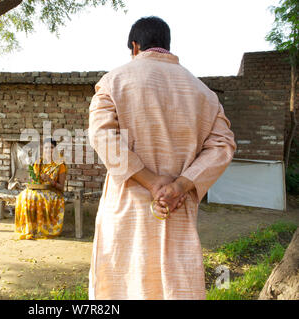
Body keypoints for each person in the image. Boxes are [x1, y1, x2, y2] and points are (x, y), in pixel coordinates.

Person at [88, 16, 236, 299]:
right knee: (173, 284)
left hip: (127, 209)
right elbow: (223, 146)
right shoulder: (204, 94)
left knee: (122, 283)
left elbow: (102, 137)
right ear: (167, 45)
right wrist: (181, 185)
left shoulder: (113, 82)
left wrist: (152, 182)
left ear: (135, 46)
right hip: (177, 209)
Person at [14, 138, 67, 240]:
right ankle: (29, 228)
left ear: (55, 150)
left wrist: (50, 181)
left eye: (51, 148)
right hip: (38, 190)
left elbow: (61, 187)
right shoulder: (39, 162)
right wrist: (31, 180)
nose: (48, 150)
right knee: (23, 196)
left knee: (36, 197)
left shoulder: (60, 165)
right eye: (46, 148)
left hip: (53, 192)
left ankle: (40, 229)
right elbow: (34, 181)